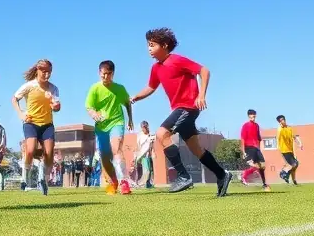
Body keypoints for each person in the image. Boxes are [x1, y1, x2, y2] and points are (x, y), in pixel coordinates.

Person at [130, 27, 232, 197]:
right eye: (148, 45)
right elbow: (150, 87)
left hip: (188, 107)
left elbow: (204, 71)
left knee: (162, 134)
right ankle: (222, 175)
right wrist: (136, 97)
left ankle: (183, 176)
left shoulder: (177, 60)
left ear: (164, 45)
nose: (149, 48)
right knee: (196, 149)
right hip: (180, 109)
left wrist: (201, 95)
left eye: (152, 45)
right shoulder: (156, 68)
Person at [85, 60, 134, 195]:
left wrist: (130, 119)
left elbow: (127, 103)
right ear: (99, 73)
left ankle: (124, 182)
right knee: (105, 157)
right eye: (103, 74)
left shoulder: (120, 89)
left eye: (108, 74)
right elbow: (89, 107)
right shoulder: (95, 88)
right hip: (101, 127)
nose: (105, 77)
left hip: (116, 122)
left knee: (116, 148)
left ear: (113, 73)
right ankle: (113, 182)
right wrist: (94, 114)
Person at [13, 59, 59, 195]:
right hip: (31, 122)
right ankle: (24, 179)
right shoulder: (29, 86)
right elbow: (14, 98)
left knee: (49, 154)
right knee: (30, 150)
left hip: (47, 125)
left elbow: (56, 107)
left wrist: (55, 105)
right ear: (37, 71)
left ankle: (42, 181)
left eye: (49, 72)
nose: (46, 75)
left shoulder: (53, 88)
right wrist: (21, 113)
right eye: (44, 71)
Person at [239, 110, 269, 190]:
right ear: (248, 116)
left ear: (255, 116)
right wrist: (243, 151)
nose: (253, 117)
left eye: (254, 115)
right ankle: (245, 175)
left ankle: (263, 183)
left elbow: (259, 138)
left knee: (262, 166)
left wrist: (260, 149)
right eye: (251, 116)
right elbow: (242, 139)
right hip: (249, 148)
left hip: (256, 149)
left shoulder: (257, 125)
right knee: (253, 164)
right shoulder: (245, 125)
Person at [276, 115, 303, 185]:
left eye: (283, 120)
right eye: (280, 121)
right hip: (284, 150)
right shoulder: (280, 129)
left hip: (290, 150)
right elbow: (277, 137)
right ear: (279, 122)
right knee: (294, 164)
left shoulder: (289, 128)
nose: (282, 121)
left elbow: (294, 137)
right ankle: (283, 173)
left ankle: (293, 180)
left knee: (295, 165)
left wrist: (299, 143)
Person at [135, 121, 155, 188]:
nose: (144, 128)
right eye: (142, 127)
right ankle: (139, 183)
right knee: (141, 170)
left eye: (145, 127)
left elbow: (151, 145)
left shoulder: (151, 134)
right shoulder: (140, 135)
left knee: (149, 170)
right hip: (141, 155)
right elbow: (138, 146)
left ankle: (148, 183)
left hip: (148, 155)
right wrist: (137, 155)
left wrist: (151, 153)